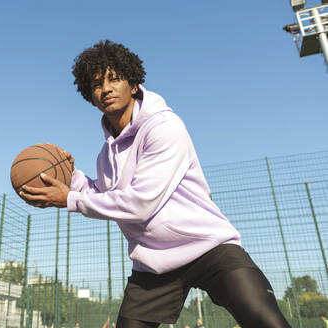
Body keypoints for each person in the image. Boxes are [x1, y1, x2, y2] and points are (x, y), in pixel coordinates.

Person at [19, 40, 291, 328]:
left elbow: (140, 203)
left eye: (114, 79)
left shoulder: (164, 127)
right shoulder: (105, 155)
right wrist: (71, 177)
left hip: (208, 247)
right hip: (154, 264)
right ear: (90, 95)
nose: (106, 89)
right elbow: (104, 195)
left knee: (266, 321)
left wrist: (70, 200)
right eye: (97, 84)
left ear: (134, 84)